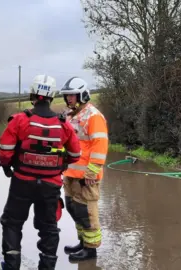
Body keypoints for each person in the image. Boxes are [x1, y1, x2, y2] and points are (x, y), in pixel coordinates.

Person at [0, 75, 82, 270]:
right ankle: (47, 266)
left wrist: (6, 166)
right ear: (52, 96)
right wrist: (60, 165)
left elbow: (5, 150)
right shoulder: (63, 124)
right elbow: (75, 154)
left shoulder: (19, 120)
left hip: (22, 181)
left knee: (12, 223)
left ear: (33, 94)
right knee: (48, 227)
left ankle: (11, 265)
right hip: (51, 184)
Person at [59, 77, 109, 261]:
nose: (69, 99)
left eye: (71, 95)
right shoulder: (72, 115)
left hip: (85, 176)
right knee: (74, 209)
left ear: (82, 94)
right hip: (70, 173)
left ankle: (90, 250)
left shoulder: (93, 116)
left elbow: (100, 145)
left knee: (86, 212)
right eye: (67, 96)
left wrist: (92, 171)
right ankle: (82, 242)